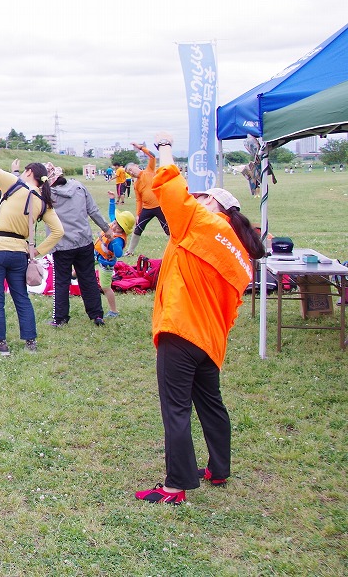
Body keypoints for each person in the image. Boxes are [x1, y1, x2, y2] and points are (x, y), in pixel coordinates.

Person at [134, 135, 266, 504]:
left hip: (181, 331)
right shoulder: (240, 254)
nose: (198, 198)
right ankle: (218, 469)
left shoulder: (201, 223)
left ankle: (175, 486)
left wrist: (163, 149)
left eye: (204, 196)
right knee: (211, 403)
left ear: (214, 205)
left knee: (175, 407)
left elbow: (172, 188)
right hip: (210, 340)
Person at [0, 133, 63, 354]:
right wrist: (35, 251)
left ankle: (2, 344)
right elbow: (58, 232)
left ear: (29, 172)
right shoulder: (44, 202)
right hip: (19, 252)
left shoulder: (15, 184)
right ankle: (30, 342)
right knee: (21, 296)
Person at [46, 165, 111, 328]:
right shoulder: (79, 187)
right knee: (88, 278)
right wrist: (107, 229)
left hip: (61, 245)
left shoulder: (46, 194)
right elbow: (93, 210)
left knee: (61, 281)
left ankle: (59, 318)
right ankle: (97, 315)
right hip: (84, 241)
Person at [125, 142, 170, 255]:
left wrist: (141, 148)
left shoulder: (149, 170)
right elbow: (138, 200)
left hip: (159, 206)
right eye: (129, 172)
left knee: (168, 230)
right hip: (147, 209)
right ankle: (130, 251)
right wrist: (138, 214)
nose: (131, 172)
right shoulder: (136, 184)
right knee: (138, 229)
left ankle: (174, 249)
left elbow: (152, 156)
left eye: (131, 169)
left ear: (136, 166)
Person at [95, 209, 136, 320]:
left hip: (106, 264)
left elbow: (118, 253)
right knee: (84, 264)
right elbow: (112, 214)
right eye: (115, 223)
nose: (114, 227)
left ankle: (114, 311)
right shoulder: (114, 223)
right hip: (98, 254)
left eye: (118, 227)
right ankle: (74, 274)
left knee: (106, 287)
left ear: (123, 230)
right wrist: (112, 200)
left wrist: (112, 240)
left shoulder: (118, 240)